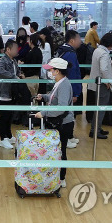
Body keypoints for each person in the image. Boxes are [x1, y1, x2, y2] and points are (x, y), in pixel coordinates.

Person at [35, 57, 75, 188]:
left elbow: (62, 107)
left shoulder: (63, 84)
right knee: (56, 150)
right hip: (58, 122)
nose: (50, 72)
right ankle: (54, 176)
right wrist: (44, 96)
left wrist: (44, 113)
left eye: (51, 70)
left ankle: (61, 178)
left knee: (61, 151)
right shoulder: (60, 82)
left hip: (63, 123)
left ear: (57, 71)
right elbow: (54, 99)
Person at [87, 33, 112, 139]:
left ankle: (96, 128)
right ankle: (95, 130)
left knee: (98, 108)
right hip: (102, 85)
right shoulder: (104, 53)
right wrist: (107, 81)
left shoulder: (97, 50)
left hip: (95, 83)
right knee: (101, 108)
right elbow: (104, 69)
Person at [57, 30, 82, 148]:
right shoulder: (70, 53)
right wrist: (74, 92)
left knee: (68, 114)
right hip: (69, 89)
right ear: (72, 40)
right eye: (78, 39)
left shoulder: (62, 50)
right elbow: (72, 74)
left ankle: (69, 137)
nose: (80, 41)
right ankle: (65, 139)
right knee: (67, 115)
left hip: (63, 87)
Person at [0, 40, 23, 149]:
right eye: (15, 49)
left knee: (10, 115)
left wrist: (20, 75)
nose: (17, 51)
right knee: (4, 116)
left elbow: (17, 72)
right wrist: (13, 76)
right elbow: (0, 71)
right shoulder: (3, 60)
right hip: (5, 92)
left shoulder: (13, 61)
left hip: (13, 92)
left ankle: (8, 135)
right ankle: (2, 138)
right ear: (8, 49)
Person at [21, 33, 43, 97]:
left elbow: (32, 67)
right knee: (34, 96)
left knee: (31, 96)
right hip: (36, 77)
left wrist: (25, 75)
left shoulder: (33, 52)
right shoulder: (38, 51)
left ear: (31, 41)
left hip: (30, 78)